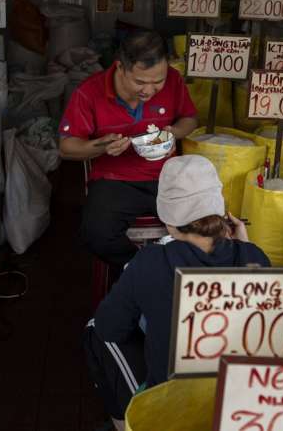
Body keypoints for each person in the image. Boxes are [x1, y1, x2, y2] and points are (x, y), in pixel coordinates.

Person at [83, 155, 271, 429]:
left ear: (168, 220)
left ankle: (128, 424)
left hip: (175, 408)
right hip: (239, 406)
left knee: (95, 330)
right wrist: (248, 250)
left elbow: (110, 328)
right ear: (221, 212)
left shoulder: (150, 261)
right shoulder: (255, 257)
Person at [58, 30, 198, 267]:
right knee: (97, 235)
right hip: (114, 180)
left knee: (204, 226)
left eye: (158, 82)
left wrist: (172, 133)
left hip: (166, 176)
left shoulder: (174, 80)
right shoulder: (89, 92)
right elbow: (66, 148)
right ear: (120, 68)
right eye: (140, 82)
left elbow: (190, 119)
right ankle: (141, 269)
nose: (150, 90)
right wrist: (99, 146)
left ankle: (165, 270)